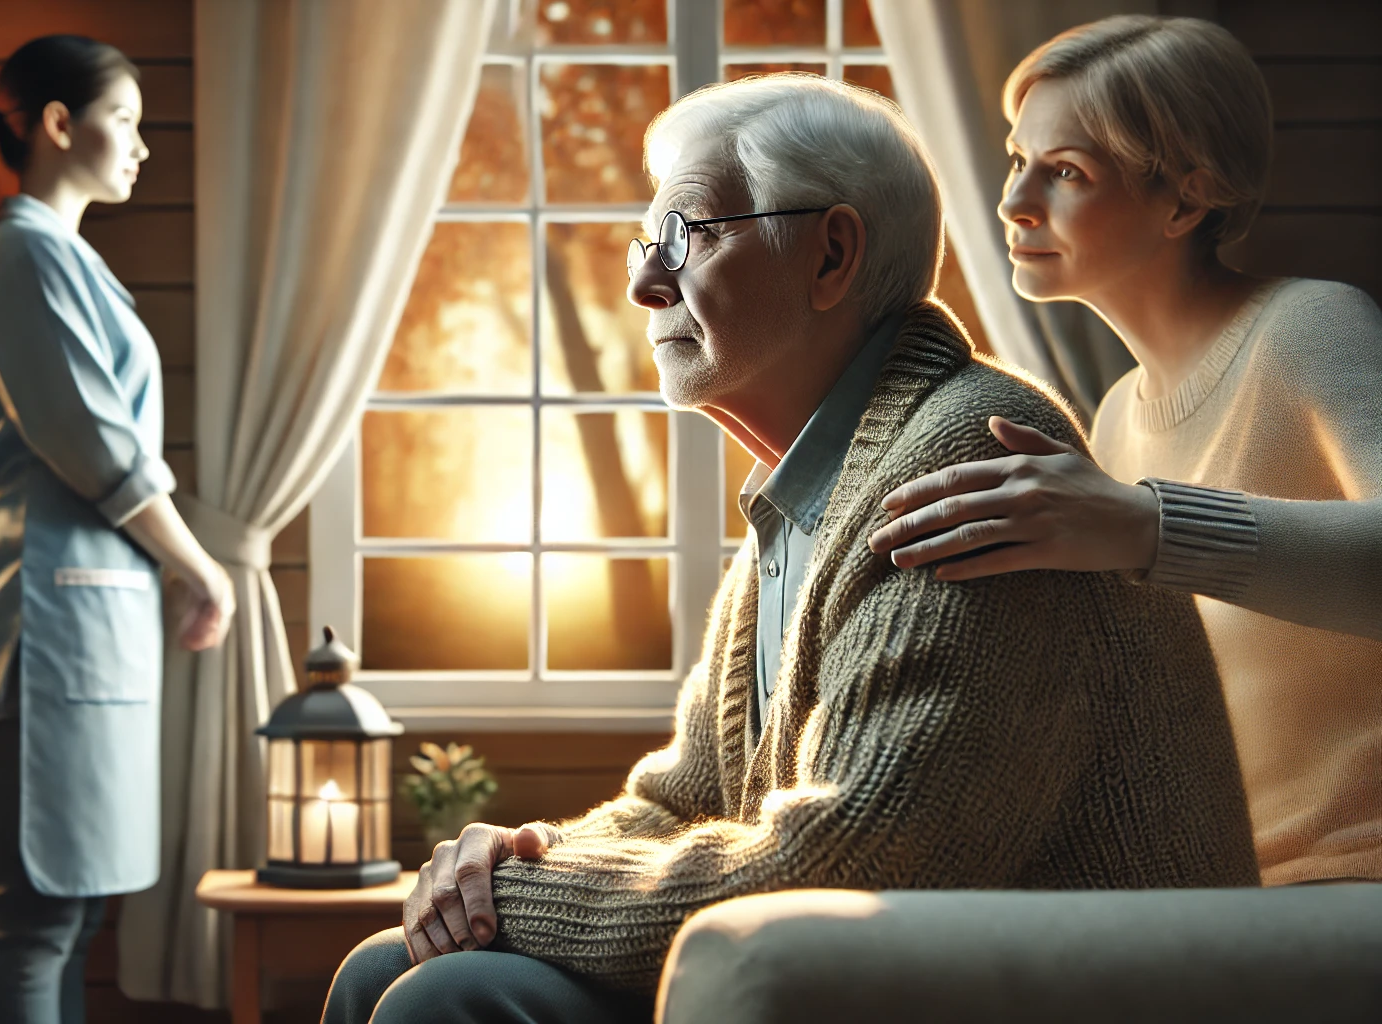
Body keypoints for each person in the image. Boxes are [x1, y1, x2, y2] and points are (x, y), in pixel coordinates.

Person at [323, 73, 1257, 1024]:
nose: (645, 281)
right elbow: (686, 801)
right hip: (871, 981)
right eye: (646, 244)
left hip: (1044, 994)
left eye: (686, 235)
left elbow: (847, 863)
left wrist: (521, 901)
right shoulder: (810, 485)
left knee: (447, 996)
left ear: (831, 255)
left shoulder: (966, 458)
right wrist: (515, 859)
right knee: (382, 966)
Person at [866, 16, 1382, 887]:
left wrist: (1147, 527)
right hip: (1219, 888)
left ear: (1186, 201)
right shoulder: (1115, 418)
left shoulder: (1311, 327)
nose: (1014, 201)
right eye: (1016, 159)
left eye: (1066, 172)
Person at [0, 35, 234, 1024]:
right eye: (127, 121)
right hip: (40, 607)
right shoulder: (20, 255)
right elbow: (93, 441)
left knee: (75, 904)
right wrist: (198, 568)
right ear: (60, 124)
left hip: (81, 604)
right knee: (35, 908)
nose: (142, 146)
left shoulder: (55, 257)